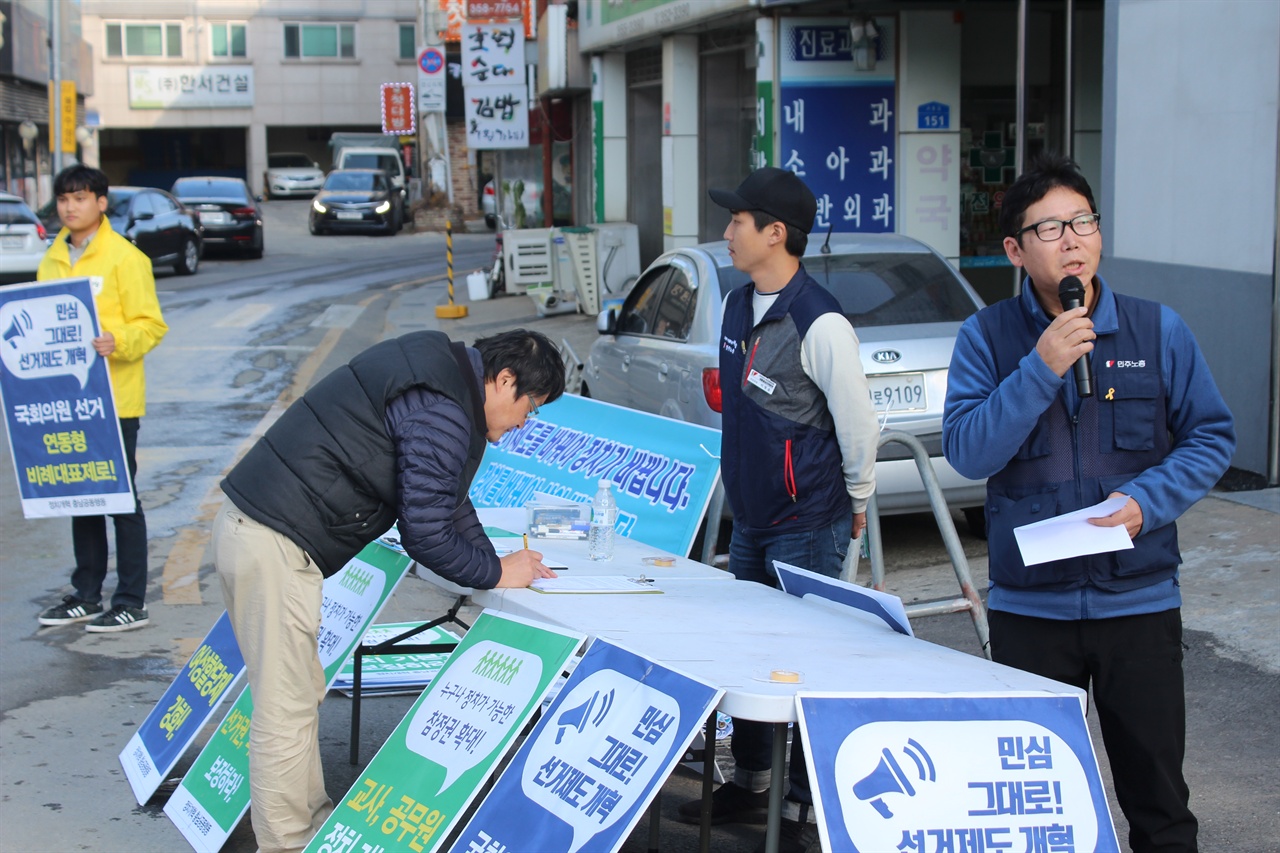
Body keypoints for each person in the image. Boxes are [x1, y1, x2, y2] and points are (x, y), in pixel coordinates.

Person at [942, 153, 1234, 853]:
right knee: (1034, 808)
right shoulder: (984, 339)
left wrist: (1145, 500)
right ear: (1014, 249)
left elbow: (1210, 436)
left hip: (1138, 604)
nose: (1071, 239)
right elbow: (970, 450)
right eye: (1049, 228)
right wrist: (1040, 367)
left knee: (1161, 805)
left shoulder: (1158, 330)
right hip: (1030, 610)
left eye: (1082, 221)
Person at [212, 328, 564, 853]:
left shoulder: (438, 372)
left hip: (261, 529)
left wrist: (496, 562)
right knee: (285, 706)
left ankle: (306, 826)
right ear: (504, 380)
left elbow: (443, 496)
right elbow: (425, 531)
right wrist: (494, 574)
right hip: (272, 540)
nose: (523, 423)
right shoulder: (444, 408)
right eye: (530, 407)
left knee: (297, 694)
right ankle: (286, 843)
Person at [680, 167, 879, 853]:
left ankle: (801, 802)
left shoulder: (819, 321)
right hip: (753, 516)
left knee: (799, 664)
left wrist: (856, 502)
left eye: (739, 220)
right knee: (749, 657)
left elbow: (858, 422)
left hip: (807, 520)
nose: (728, 230)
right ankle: (753, 780)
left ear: (776, 233)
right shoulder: (738, 305)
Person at [36, 165, 169, 633]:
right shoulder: (52, 258)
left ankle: (132, 599)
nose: (70, 207)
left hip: (113, 401)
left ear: (101, 202)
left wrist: (119, 340)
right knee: (80, 494)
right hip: (67, 402)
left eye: (80, 198)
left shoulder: (125, 258)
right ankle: (86, 595)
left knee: (120, 499)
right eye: (64, 199)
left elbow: (151, 324)